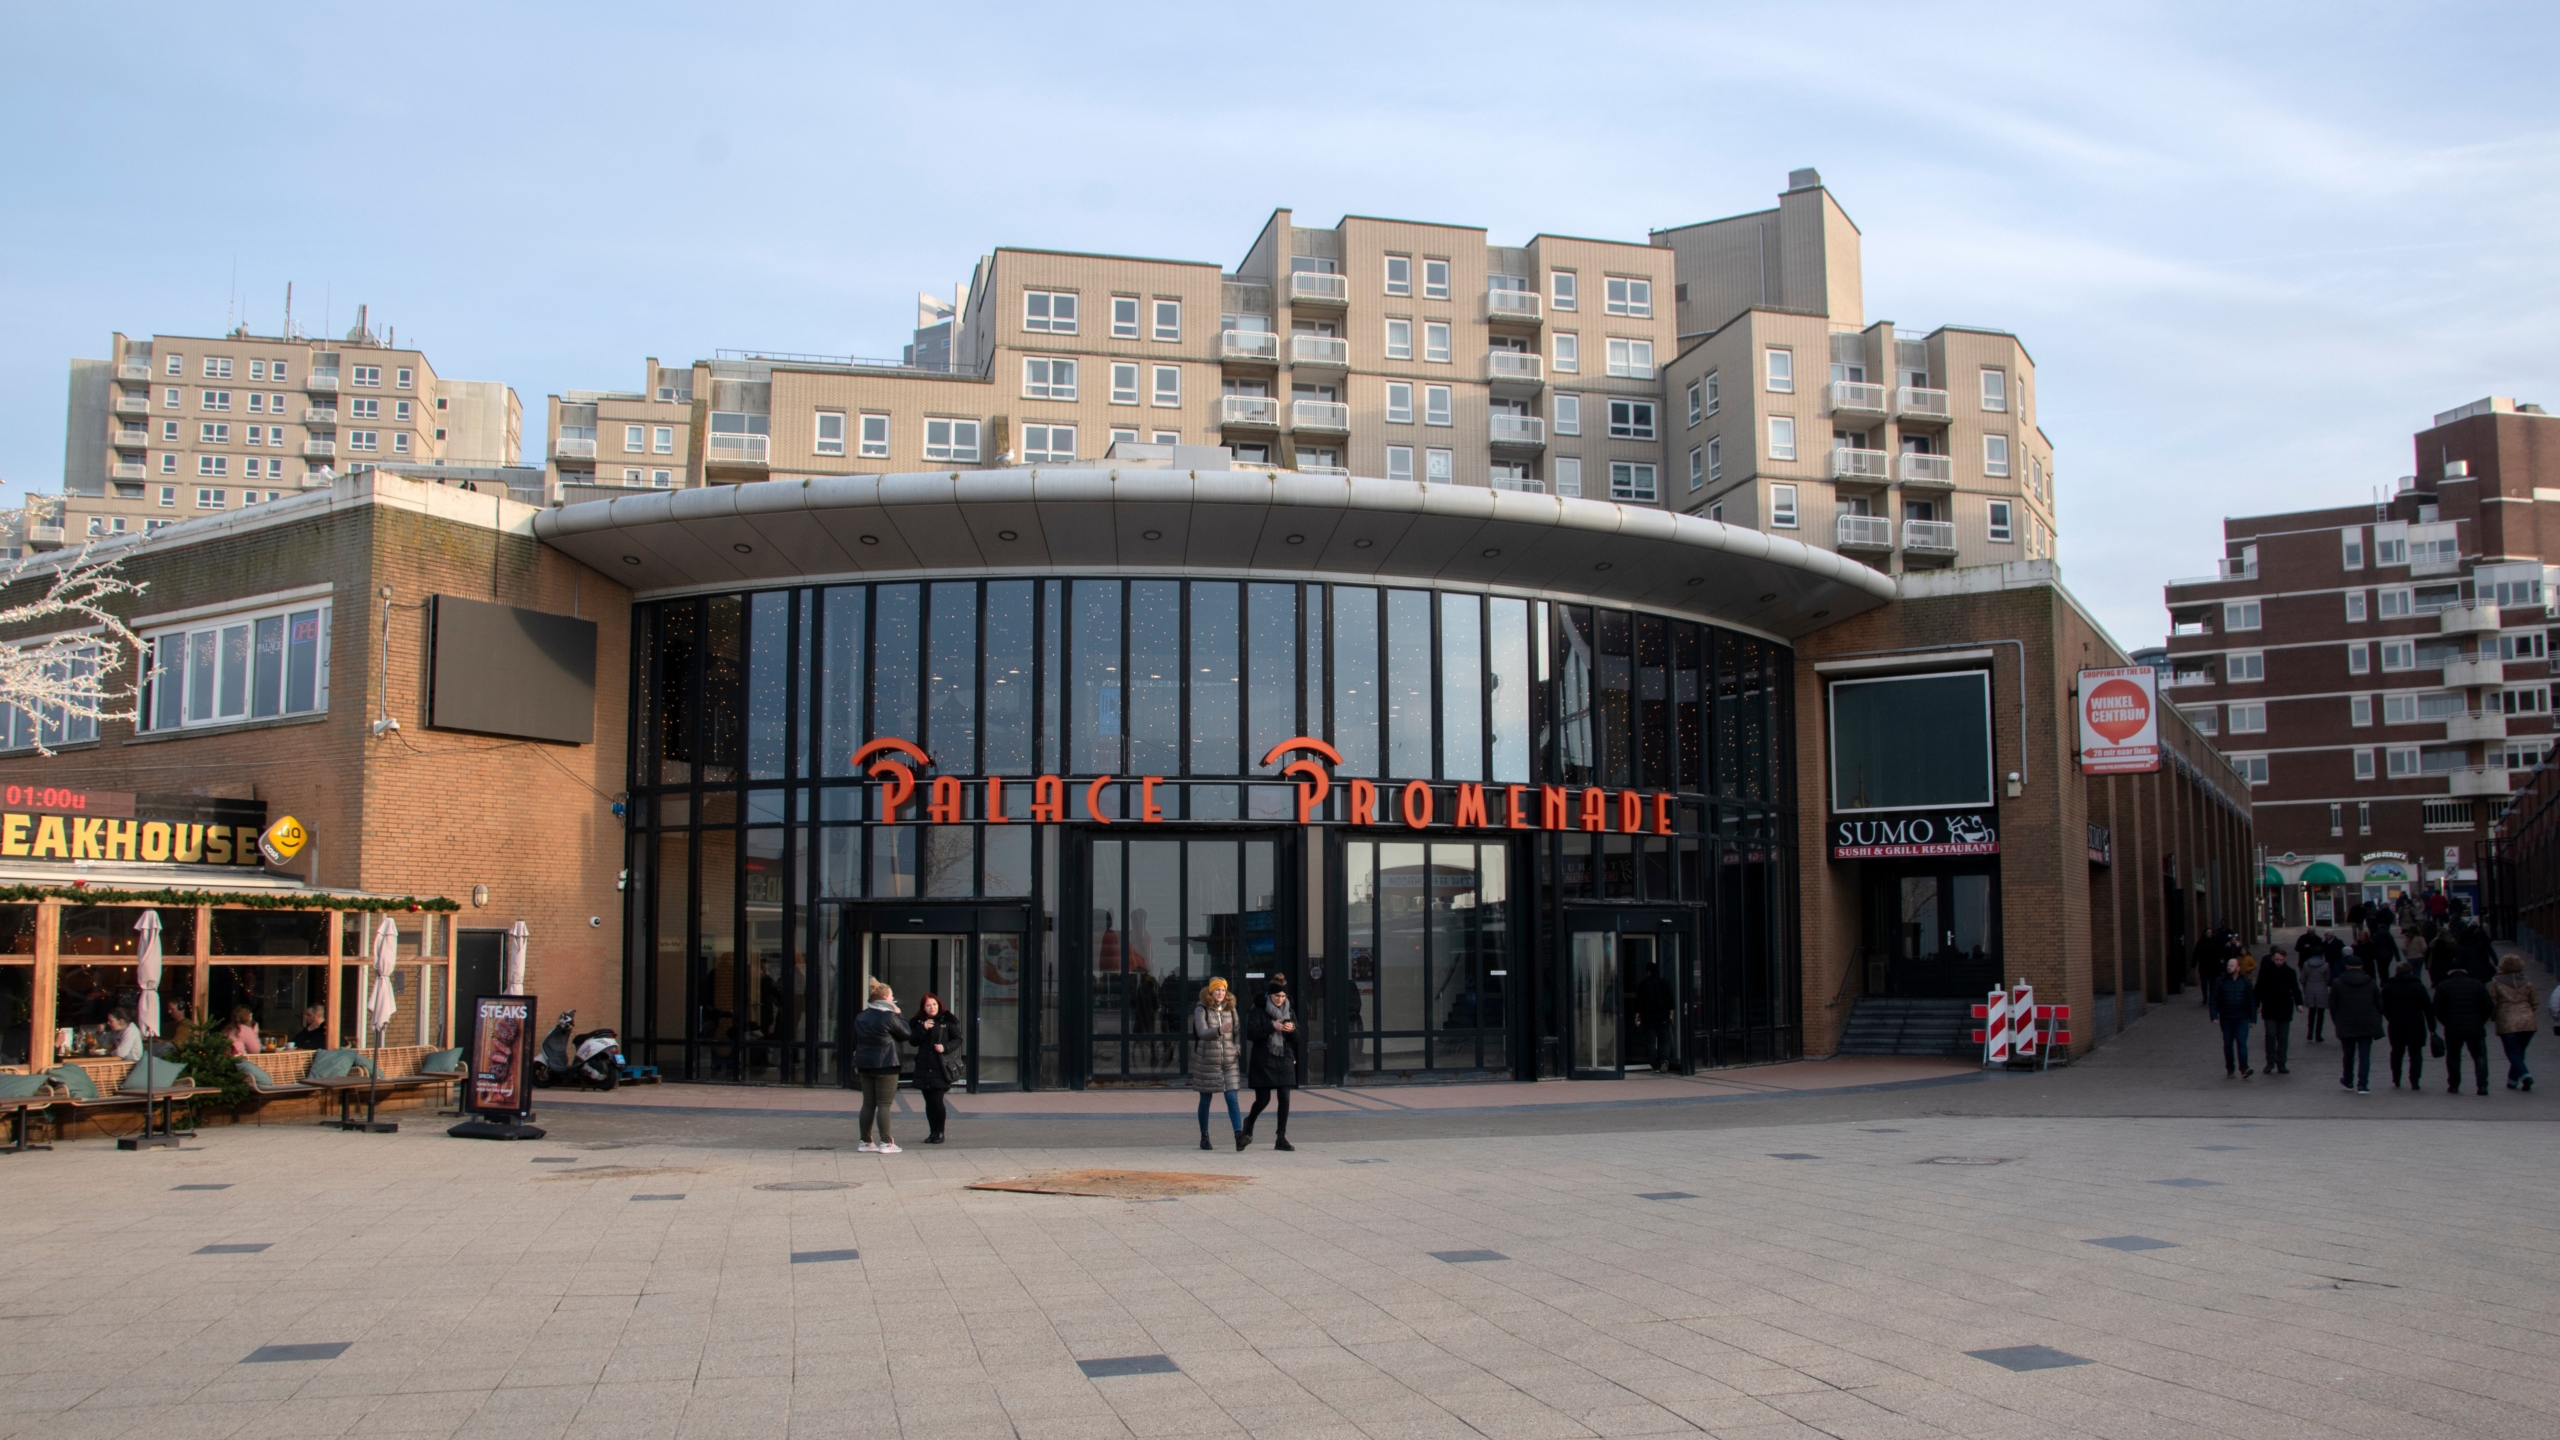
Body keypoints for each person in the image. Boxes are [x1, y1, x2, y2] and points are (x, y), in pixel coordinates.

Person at [851, 980, 910, 1153]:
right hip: (887, 1064)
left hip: (865, 1064)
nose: (893, 1000)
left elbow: (857, 1039)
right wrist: (899, 1015)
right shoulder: (889, 1016)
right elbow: (906, 1033)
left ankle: (865, 1141)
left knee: (868, 1103)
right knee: (884, 1104)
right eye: (892, 996)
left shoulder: (861, 1016)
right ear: (885, 997)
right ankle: (886, 1142)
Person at [1242, 975, 1299, 1152]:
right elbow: (1251, 1034)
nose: (1280, 1000)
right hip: (1263, 1060)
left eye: (1283, 997)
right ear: (1270, 995)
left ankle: (1281, 1137)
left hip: (1284, 1059)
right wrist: (1271, 1027)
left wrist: (1292, 1030)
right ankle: (1250, 1120)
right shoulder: (1258, 1010)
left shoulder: (1289, 1011)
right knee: (1263, 1099)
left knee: (1284, 1097)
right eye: (1277, 996)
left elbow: (1297, 1038)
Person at [1191, 977, 1244, 1151]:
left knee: (1232, 1098)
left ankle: (1239, 1135)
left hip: (1229, 1061)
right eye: (1217, 990)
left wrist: (1237, 1049)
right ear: (1210, 991)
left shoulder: (1231, 1008)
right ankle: (1204, 1136)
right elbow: (1202, 1032)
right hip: (1208, 1061)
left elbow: (1237, 1031)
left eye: (1223, 990)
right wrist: (1219, 1030)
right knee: (1205, 1099)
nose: (1221, 993)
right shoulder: (1201, 1008)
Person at [2432, 962, 2494, 1097]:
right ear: (2465, 971)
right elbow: (2488, 1006)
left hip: (2453, 1028)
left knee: (2454, 1057)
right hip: (2475, 1028)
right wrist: (2480, 1021)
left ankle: (2454, 1085)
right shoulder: (2477, 985)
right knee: (2479, 1056)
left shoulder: (2442, 987)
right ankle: (2482, 1085)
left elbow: (2437, 1009)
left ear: (2450, 972)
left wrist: (2447, 1022)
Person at [909, 992, 959, 1143]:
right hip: (924, 1066)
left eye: (934, 1004)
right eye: (928, 1005)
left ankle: (940, 1132)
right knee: (929, 1101)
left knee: (937, 1100)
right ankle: (932, 1132)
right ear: (923, 1008)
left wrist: (945, 1047)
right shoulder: (918, 1022)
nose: (932, 1008)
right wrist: (923, 1028)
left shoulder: (947, 1020)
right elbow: (913, 1041)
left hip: (940, 1066)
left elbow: (958, 1038)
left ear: (939, 1005)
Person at [2330, 958, 2384, 1094]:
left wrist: (2337, 1021)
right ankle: (2363, 1084)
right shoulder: (2370, 982)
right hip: (2367, 1022)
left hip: (2346, 1022)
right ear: (2361, 966)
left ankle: (2348, 1080)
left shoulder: (2338, 982)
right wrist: (2377, 1020)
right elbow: (2378, 1003)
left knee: (2348, 1054)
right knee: (2364, 1055)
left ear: (2346, 966)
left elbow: (2333, 1005)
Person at [2488, 955, 2539, 1092]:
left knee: (2512, 1052)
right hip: (2527, 1020)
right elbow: (2534, 1001)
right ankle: (2512, 1081)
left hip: (2507, 1019)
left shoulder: (2497, 981)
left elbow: (2492, 1001)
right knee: (2519, 1051)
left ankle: (2525, 1076)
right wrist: (2528, 1011)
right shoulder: (2527, 981)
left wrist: (2493, 1017)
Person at [2380, 961, 2434, 1090]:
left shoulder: (2388, 987)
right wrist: (2431, 1025)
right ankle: (2414, 1080)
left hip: (2396, 1023)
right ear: (2411, 972)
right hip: (2416, 1023)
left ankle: (2396, 1077)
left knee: (2397, 1052)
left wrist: (2390, 1017)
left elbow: (2383, 1007)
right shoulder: (2418, 987)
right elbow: (2427, 1007)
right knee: (2415, 1053)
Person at [2257, 949, 2300, 1075]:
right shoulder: (2265, 971)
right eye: (2277, 960)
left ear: (2285, 959)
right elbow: (2259, 988)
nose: (2279, 962)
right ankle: (2270, 1062)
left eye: (2281, 960)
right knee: (2270, 1034)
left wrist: (2299, 1003)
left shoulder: (2290, 972)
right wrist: (2256, 1003)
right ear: (2273, 959)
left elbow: (2295, 989)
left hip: (2285, 1009)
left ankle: (2281, 1063)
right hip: (2269, 1007)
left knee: (2283, 1037)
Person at [2213, 958, 2256, 1078]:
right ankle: (2230, 1068)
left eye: (2232, 965)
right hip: (2226, 1018)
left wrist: (2253, 1019)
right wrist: (2214, 1015)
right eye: (2228, 965)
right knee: (2228, 1044)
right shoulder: (2221, 980)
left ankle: (2244, 1068)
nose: (2229, 967)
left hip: (2242, 1017)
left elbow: (2251, 1000)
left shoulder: (2245, 982)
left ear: (2238, 968)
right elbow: (2214, 998)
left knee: (2242, 1043)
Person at [1633, 961, 1675, 1071]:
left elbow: (1639, 1002)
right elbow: (1671, 1000)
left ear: (1648, 972)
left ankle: (1655, 1065)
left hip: (1648, 1017)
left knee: (1650, 1042)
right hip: (1663, 1016)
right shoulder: (1665, 983)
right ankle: (1664, 1061)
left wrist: (1637, 1015)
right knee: (1665, 1040)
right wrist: (1671, 1013)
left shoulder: (1643, 985)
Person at [2300, 944, 2332, 1043]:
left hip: (2310, 988)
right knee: (2321, 1013)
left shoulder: (2306, 964)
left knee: (2311, 1012)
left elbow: (2302, 979)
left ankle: (2310, 1032)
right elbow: (2328, 980)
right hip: (2321, 989)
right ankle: (2318, 1034)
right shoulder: (2326, 965)